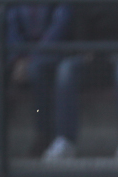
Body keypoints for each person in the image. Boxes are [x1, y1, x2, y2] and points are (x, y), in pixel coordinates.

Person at [41, 1, 118, 161]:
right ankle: (65, 140)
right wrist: (87, 51)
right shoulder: (86, 3)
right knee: (67, 68)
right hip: (92, 59)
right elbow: (81, 35)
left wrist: (117, 53)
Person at [6, 2, 72, 157]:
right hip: (18, 57)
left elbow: (58, 29)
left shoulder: (59, 5)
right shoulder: (15, 5)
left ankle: (43, 135)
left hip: (49, 56)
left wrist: (30, 59)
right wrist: (19, 58)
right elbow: (11, 27)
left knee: (36, 71)